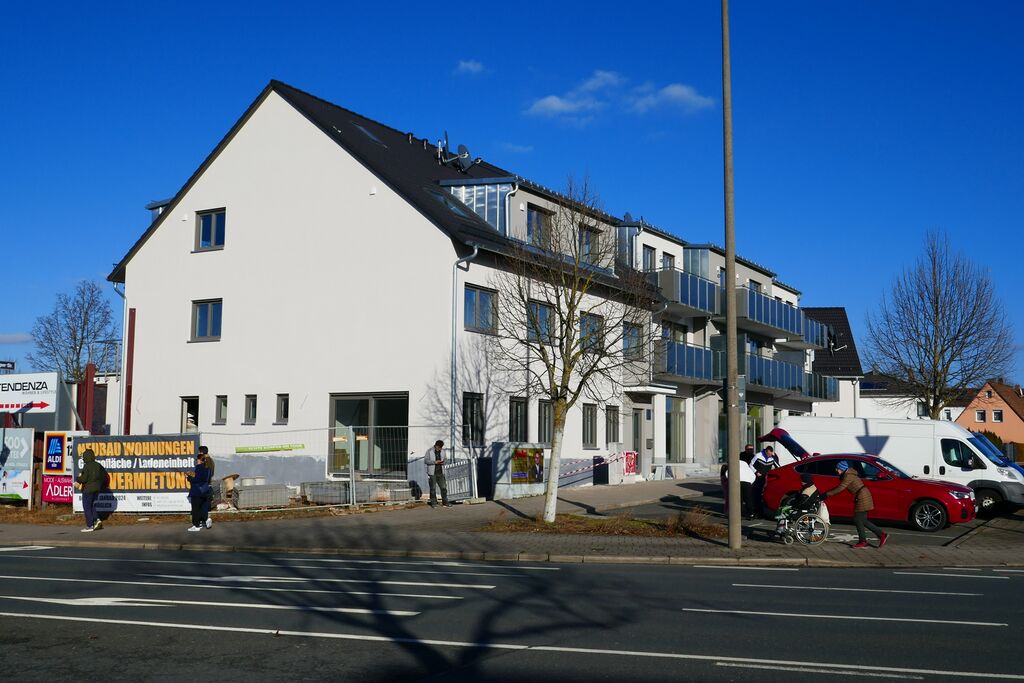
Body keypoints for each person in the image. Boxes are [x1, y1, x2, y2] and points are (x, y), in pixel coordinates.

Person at [822, 460, 887, 549]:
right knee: (862, 520)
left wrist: (826, 494)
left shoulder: (848, 476)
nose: (836, 470)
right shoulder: (848, 474)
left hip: (862, 496)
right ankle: (878, 536)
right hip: (862, 495)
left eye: (837, 468)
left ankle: (867, 540)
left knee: (858, 519)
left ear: (842, 469)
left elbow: (840, 488)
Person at [74, 448, 107, 532]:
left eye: (83, 457)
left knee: (87, 507)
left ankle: (90, 526)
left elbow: (84, 479)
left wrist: (78, 478)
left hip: (88, 490)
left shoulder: (87, 466)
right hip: (97, 489)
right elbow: (104, 476)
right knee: (92, 505)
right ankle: (97, 520)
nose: (83, 458)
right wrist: (100, 485)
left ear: (86, 457)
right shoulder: (98, 465)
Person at [185, 450, 213, 531]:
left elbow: (196, 480)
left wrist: (189, 478)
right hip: (204, 491)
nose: (196, 461)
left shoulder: (199, 467)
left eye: (197, 459)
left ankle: (196, 525)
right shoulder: (208, 468)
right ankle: (205, 520)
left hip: (197, 491)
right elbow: (205, 479)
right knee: (202, 507)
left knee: (195, 509)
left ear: (200, 460)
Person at [750, 445, 779, 518]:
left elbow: (778, 467)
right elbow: (751, 465)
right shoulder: (758, 455)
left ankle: (762, 512)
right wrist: (756, 472)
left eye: (771, 454)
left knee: (765, 496)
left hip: (767, 479)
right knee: (757, 495)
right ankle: (756, 512)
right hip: (758, 479)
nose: (770, 455)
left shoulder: (772, 458)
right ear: (766, 451)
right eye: (769, 454)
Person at [424, 440, 450, 508]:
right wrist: (434, 462)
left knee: (444, 488)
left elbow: (446, 459)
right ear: (436, 446)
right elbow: (426, 461)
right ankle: (434, 503)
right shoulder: (429, 451)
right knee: (433, 489)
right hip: (432, 473)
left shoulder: (443, 451)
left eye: (441, 448)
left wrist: (444, 462)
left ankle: (445, 502)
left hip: (441, 472)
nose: (440, 449)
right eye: (439, 447)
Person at [199, 446, 215, 528]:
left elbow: (207, 473)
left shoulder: (206, 461)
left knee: (203, 504)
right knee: (205, 504)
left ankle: (206, 521)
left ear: (202, 452)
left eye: (199, 452)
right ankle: (205, 521)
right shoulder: (210, 460)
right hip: (207, 484)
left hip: (205, 485)